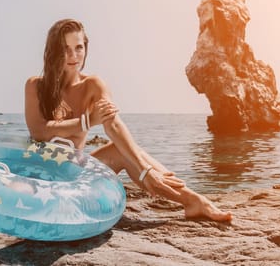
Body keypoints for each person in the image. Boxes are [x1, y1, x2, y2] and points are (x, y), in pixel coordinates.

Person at [24, 18, 232, 222]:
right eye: (65, 48)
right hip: (44, 179)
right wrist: (87, 121)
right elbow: (39, 131)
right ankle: (186, 196)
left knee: (121, 151)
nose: (73, 55)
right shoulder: (35, 86)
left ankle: (193, 201)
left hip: (76, 177)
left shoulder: (93, 85)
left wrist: (145, 169)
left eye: (78, 47)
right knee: (131, 155)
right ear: (53, 51)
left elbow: (113, 124)